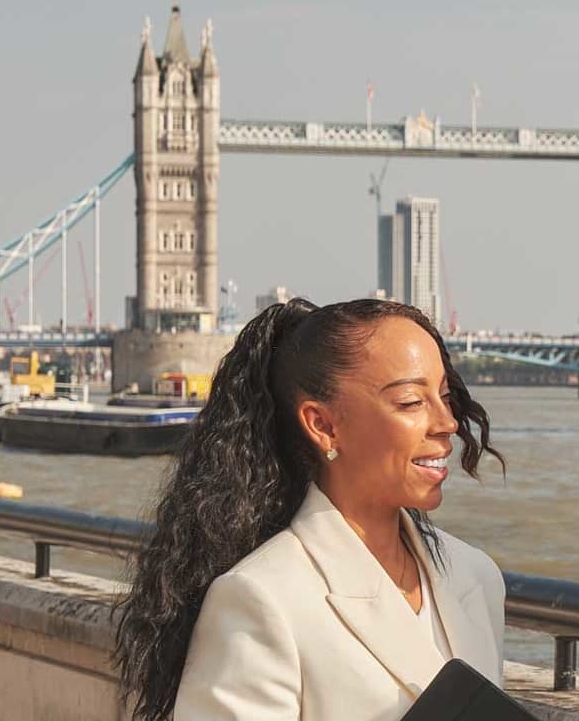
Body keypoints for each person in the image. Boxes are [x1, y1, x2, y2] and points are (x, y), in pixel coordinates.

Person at [114, 298, 507, 721]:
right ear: (323, 425)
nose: (447, 422)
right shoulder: (262, 598)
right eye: (411, 402)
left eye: (444, 396)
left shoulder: (475, 577)